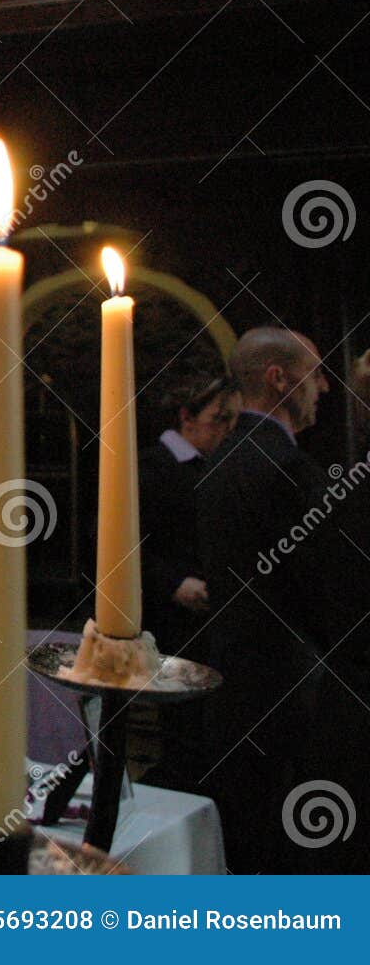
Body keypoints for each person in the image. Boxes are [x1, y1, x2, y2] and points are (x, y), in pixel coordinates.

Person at [195, 326, 370, 871]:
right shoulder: (288, 470)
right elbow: (332, 590)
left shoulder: (221, 458)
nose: (324, 387)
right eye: (315, 374)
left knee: (245, 839)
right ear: (279, 378)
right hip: (293, 692)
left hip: (230, 683)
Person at [139, 373, 238, 659]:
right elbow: (120, 544)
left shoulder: (223, 465)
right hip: (166, 621)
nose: (229, 430)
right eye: (220, 419)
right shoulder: (151, 467)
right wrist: (173, 584)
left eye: (235, 421)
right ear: (187, 417)